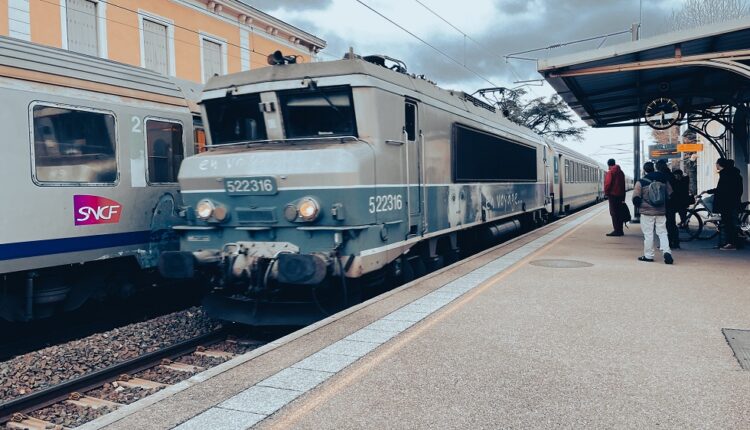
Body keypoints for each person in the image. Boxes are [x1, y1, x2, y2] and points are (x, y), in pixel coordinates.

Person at [632, 161, 674, 264]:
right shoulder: (663, 180)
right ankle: (666, 251)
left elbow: (635, 198)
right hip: (661, 212)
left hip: (647, 213)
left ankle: (649, 256)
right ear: (654, 168)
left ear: (645, 170)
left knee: (648, 234)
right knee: (663, 232)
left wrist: (641, 205)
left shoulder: (641, 182)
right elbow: (670, 194)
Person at [704, 158, 743, 250]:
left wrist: (709, 191)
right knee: (730, 223)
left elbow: (721, 189)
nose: (715, 165)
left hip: (727, 203)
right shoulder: (735, 174)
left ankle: (731, 243)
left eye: (716, 163)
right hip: (733, 201)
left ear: (719, 164)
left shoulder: (725, 174)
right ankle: (730, 243)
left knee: (728, 223)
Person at [656, 160, 679, 248]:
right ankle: (675, 242)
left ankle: (669, 243)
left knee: (667, 224)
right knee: (671, 223)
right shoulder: (670, 175)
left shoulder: (664, 176)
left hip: (667, 202)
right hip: (672, 202)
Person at [603, 158, 626, 236]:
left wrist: (606, 193)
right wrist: (623, 197)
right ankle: (620, 230)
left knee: (614, 213)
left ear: (609, 165)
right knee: (619, 213)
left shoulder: (611, 172)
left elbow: (607, 184)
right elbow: (623, 185)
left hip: (613, 196)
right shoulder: (621, 172)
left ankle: (617, 230)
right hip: (620, 196)